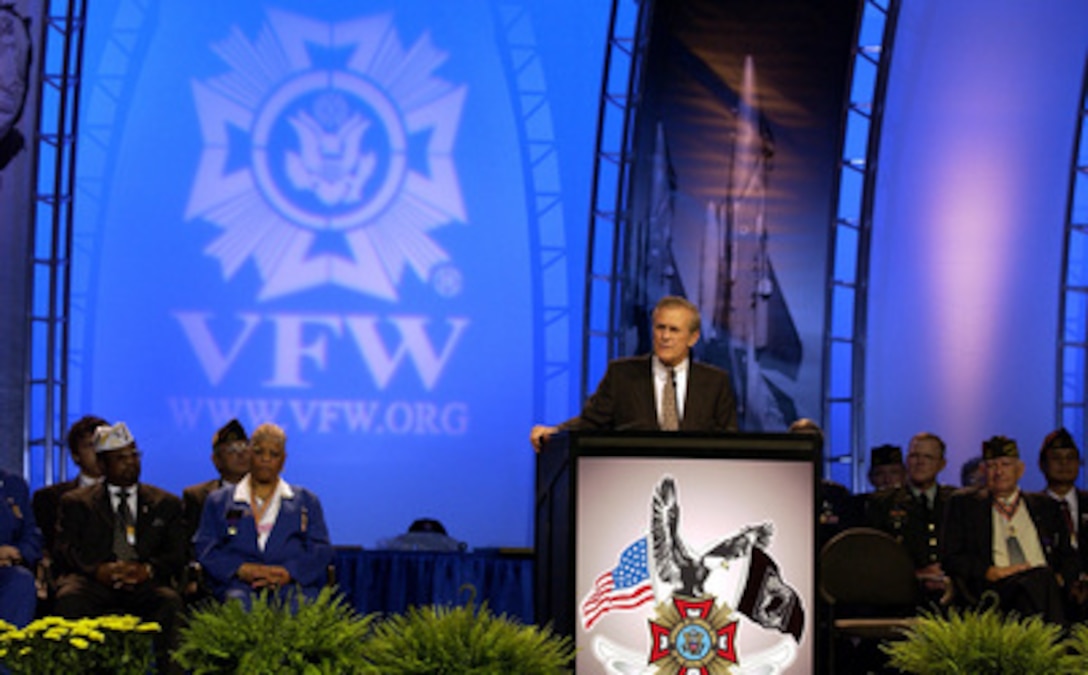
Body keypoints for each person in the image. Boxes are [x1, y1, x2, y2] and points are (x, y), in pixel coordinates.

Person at [53, 421, 185, 671]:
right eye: (120, 458)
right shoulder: (77, 503)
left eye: (134, 455)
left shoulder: (166, 503)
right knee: (69, 600)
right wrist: (98, 570)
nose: (130, 462)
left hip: (144, 583)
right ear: (102, 465)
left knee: (169, 603)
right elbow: (66, 549)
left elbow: (177, 552)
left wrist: (147, 570)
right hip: (93, 583)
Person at [530, 296, 737, 450]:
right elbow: (591, 422)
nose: (665, 336)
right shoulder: (621, 375)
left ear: (693, 338)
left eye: (674, 330)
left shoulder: (715, 382)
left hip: (696, 484)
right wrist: (556, 432)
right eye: (660, 328)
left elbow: (729, 442)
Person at [194, 422, 333, 606]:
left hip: (291, 586)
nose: (265, 459)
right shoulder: (219, 501)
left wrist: (288, 573)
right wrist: (240, 569)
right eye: (259, 452)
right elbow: (206, 547)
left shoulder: (306, 502)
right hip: (238, 585)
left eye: (273, 454)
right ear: (249, 455)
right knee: (238, 604)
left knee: (298, 605)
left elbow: (320, 550)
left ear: (283, 460)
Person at [941, 435, 1074, 624]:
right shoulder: (965, 505)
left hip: (1044, 586)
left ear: (1020, 470)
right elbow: (950, 558)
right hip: (996, 588)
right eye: (992, 466)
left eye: (1006, 465)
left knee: (1041, 579)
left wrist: (1062, 577)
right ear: (983, 471)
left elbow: (1070, 556)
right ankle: (1055, 647)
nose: (999, 472)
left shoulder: (1046, 506)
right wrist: (989, 571)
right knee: (1039, 581)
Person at [866, 432, 956, 602]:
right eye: (914, 456)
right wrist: (916, 574)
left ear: (941, 464)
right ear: (907, 461)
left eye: (928, 457)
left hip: (950, 594)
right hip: (900, 595)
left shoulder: (956, 500)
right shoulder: (882, 502)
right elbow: (876, 554)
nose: (920, 462)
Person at [32, 414, 107, 566]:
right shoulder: (49, 498)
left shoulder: (136, 496)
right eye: (90, 445)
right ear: (75, 455)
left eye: (104, 444)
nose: (99, 452)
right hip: (72, 576)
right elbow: (48, 548)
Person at [1034, 427, 1088, 618]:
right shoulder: (1032, 508)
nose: (1064, 464)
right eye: (1056, 458)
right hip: (1049, 603)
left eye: (1071, 458)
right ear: (1042, 464)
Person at [181, 418, 252, 550]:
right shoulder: (197, 497)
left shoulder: (269, 492)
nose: (241, 454)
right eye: (232, 450)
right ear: (216, 460)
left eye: (245, 447)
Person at [0, 468, 42, 627]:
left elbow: (32, 534)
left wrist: (16, 553)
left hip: (6, 570)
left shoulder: (13, 485)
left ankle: (9, 648)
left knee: (21, 581)